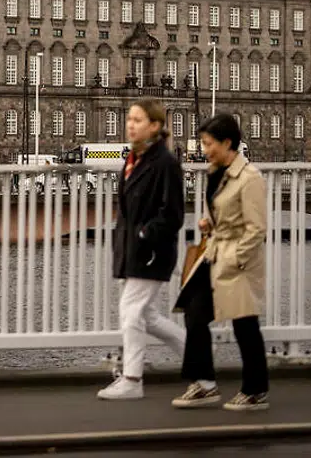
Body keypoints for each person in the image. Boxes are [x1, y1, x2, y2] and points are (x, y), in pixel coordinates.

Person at [173, 113, 270, 411]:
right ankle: (204, 382)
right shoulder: (215, 172)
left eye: (208, 143)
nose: (204, 149)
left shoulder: (249, 178)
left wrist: (237, 259)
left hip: (237, 260)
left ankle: (255, 390)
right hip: (214, 252)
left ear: (228, 142)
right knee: (194, 312)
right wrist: (208, 223)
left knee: (244, 324)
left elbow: (257, 228)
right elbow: (221, 213)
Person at [98, 98, 187, 400]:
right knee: (146, 315)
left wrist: (146, 234)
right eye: (129, 119)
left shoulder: (166, 163)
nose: (130, 124)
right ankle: (199, 355)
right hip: (132, 248)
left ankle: (133, 379)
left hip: (150, 250)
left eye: (138, 120)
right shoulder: (134, 158)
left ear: (155, 126)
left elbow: (173, 214)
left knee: (131, 311)